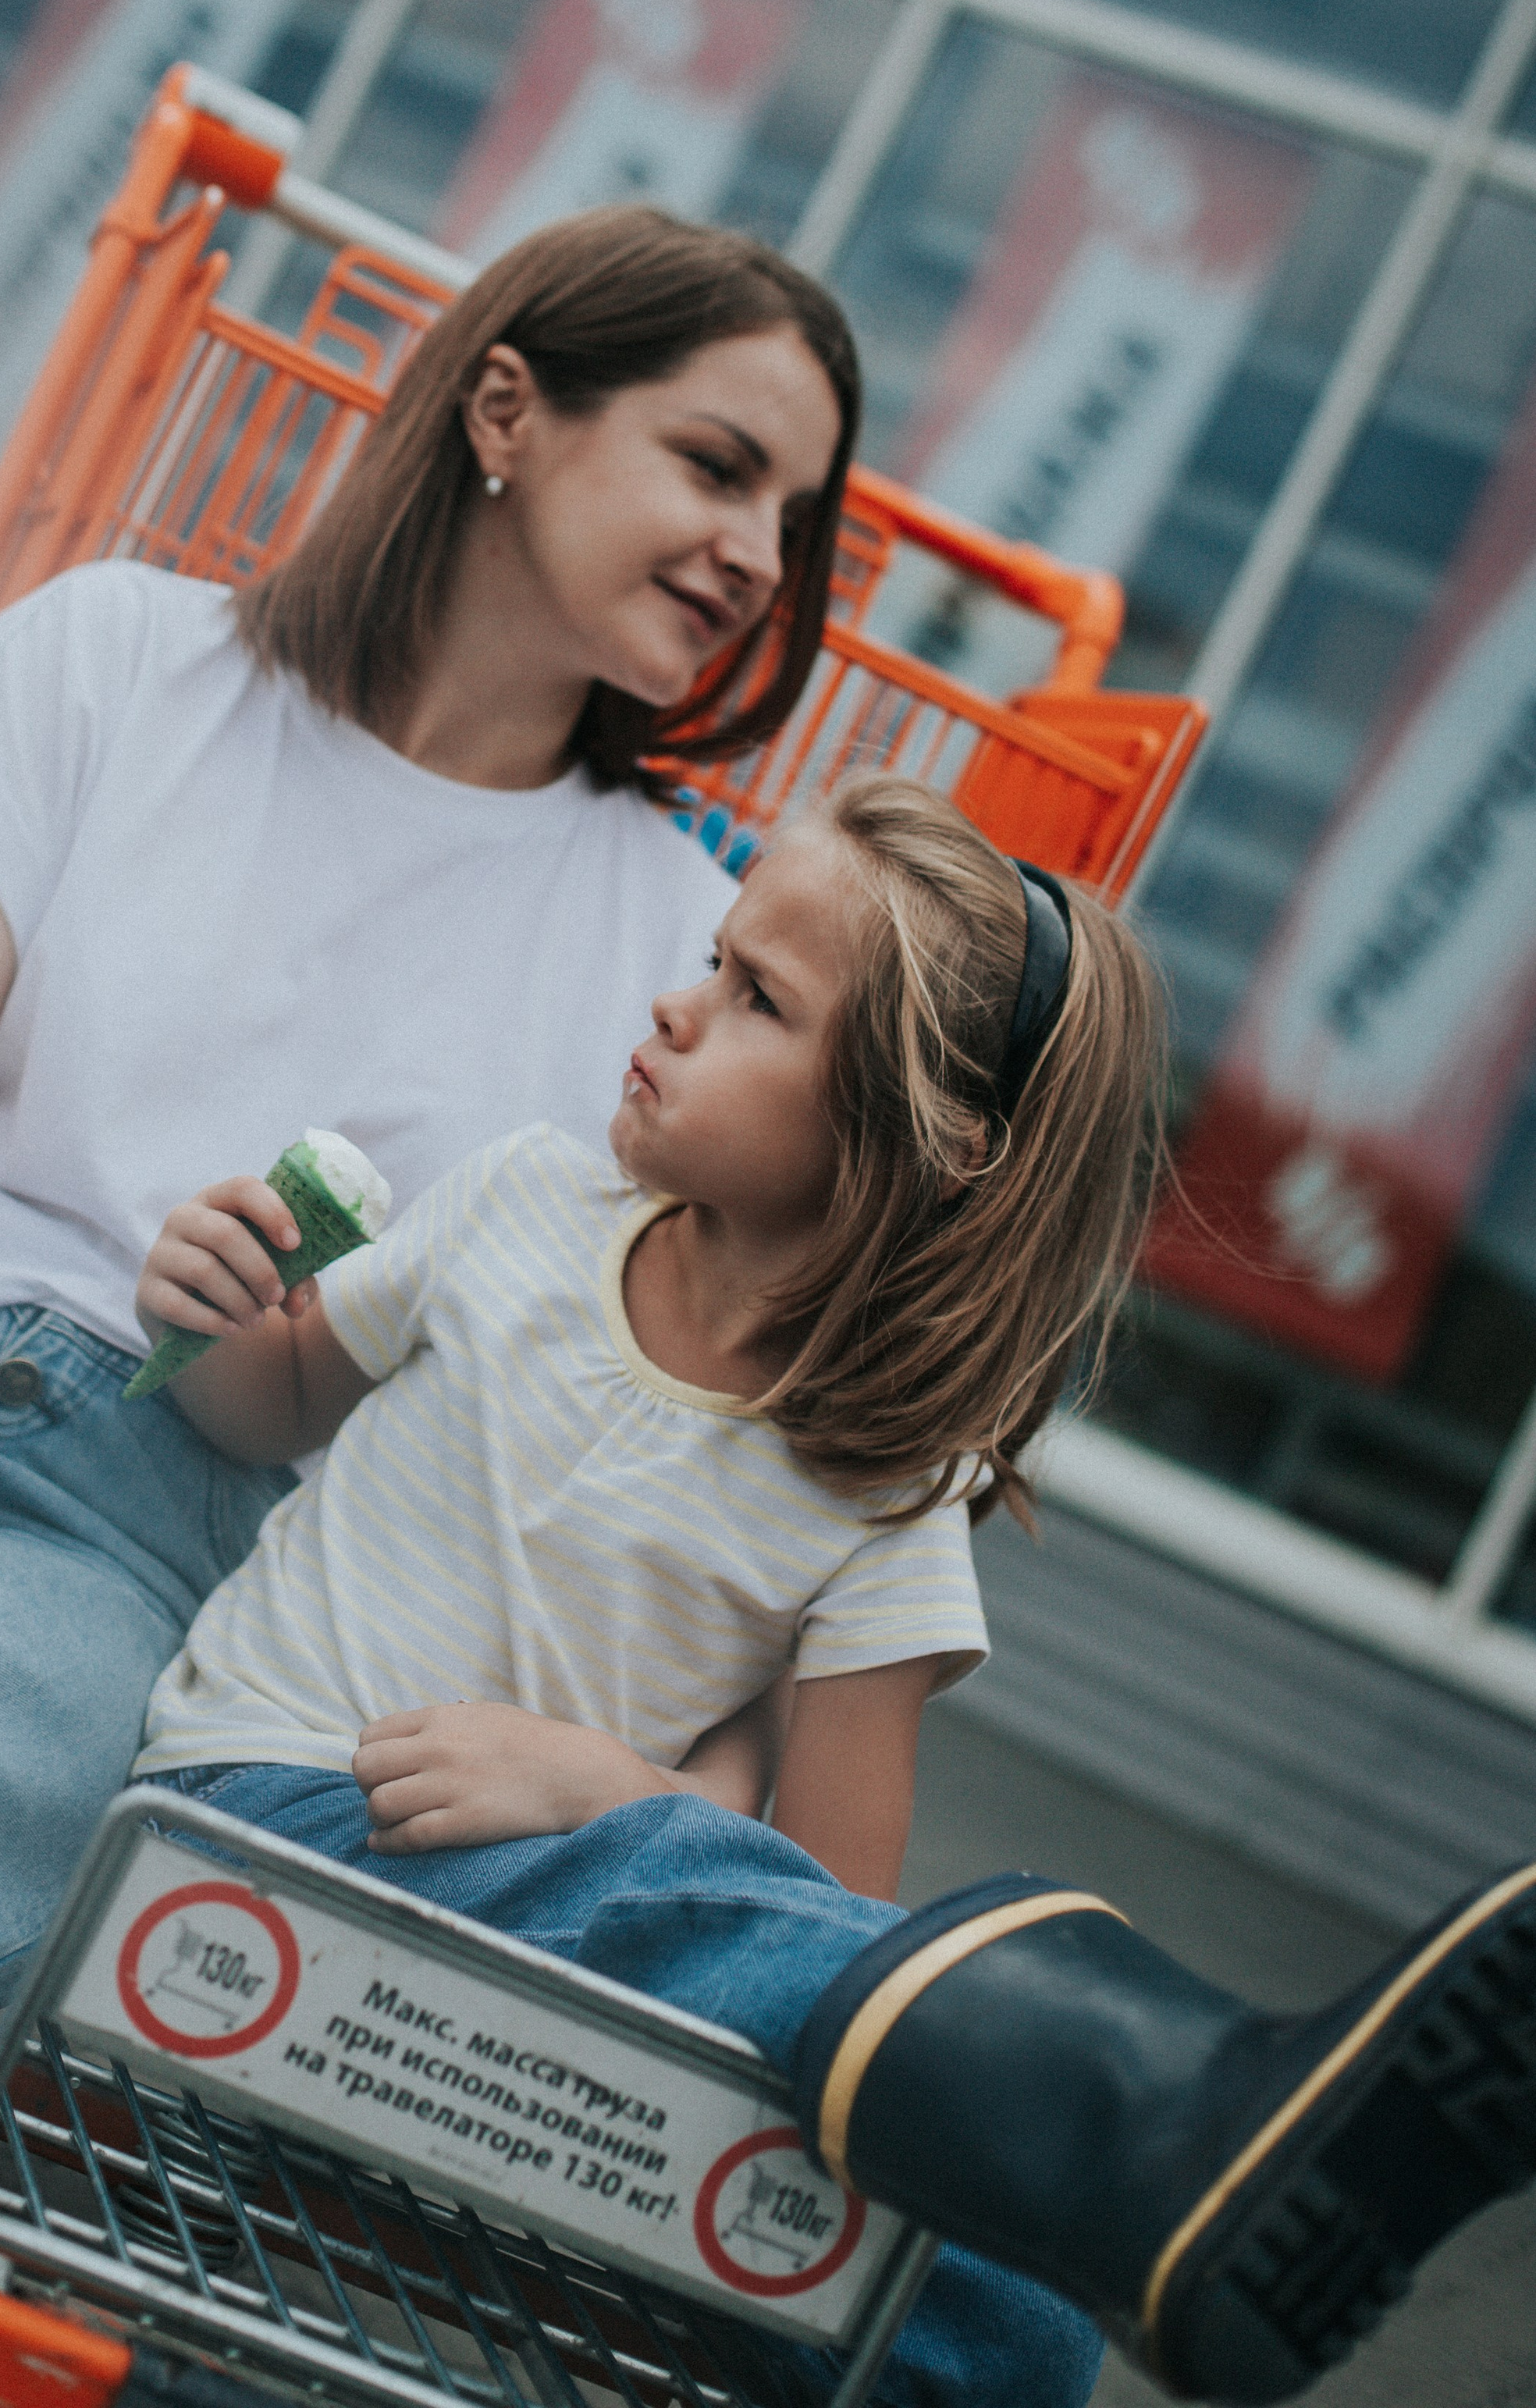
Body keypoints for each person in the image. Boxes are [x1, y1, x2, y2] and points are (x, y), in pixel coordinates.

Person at [0, 204, 858, 2264]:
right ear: (506, 410)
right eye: (719, 465)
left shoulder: (687, 957)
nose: (763, 561)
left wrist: (609, 1766)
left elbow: (695, 1469)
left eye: (799, 517)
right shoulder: (119, 660)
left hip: (141, 1550)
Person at [130, 776, 1536, 2408]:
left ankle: (1168, 2195)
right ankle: (1164, 2116)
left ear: (904, 1139)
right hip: (267, 1827)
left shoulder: (876, 1478)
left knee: (990, 2290)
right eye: (713, 960)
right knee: (708, 1902)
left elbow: (825, 1917)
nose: (675, 1001)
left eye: (753, 999)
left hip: (511, 1968)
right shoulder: (525, 1202)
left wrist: (606, 1791)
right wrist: (213, 1307)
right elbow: (278, 1400)